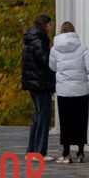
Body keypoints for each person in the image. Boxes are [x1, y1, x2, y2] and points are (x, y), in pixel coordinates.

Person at [50, 21, 89, 164]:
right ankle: (80, 153)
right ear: (73, 31)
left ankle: (66, 153)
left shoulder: (55, 49)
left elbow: (52, 67)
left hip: (64, 91)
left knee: (66, 121)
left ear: (61, 31)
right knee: (81, 121)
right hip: (81, 91)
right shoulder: (83, 47)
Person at [21, 13, 56, 158]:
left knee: (37, 117)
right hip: (40, 83)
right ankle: (39, 152)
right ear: (43, 25)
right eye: (49, 24)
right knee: (43, 117)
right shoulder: (39, 40)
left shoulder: (31, 39)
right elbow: (46, 61)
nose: (51, 27)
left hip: (33, 83)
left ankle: (31, 151)